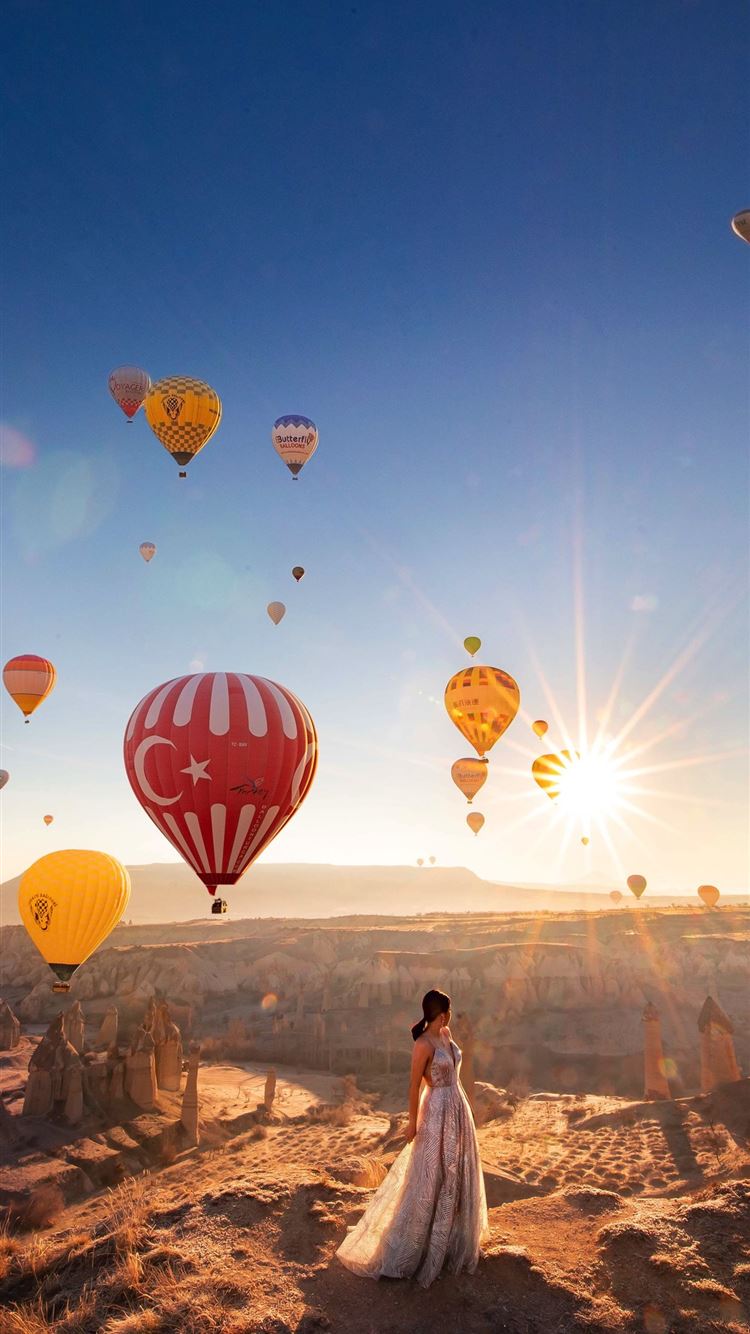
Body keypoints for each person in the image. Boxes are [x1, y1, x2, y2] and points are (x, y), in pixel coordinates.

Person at [335, 989, 488, 1288]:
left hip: (457, 1106)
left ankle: (448, 1237)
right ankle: (417, 1243)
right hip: (436, 1110)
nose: (450, 1017)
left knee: (455, 1170)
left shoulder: (445, 1033)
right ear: (442, 1012)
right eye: (449, 1011)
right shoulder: (423, 1044)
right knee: (430, 1174)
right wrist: (412, 1123)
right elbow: (413, 1086)